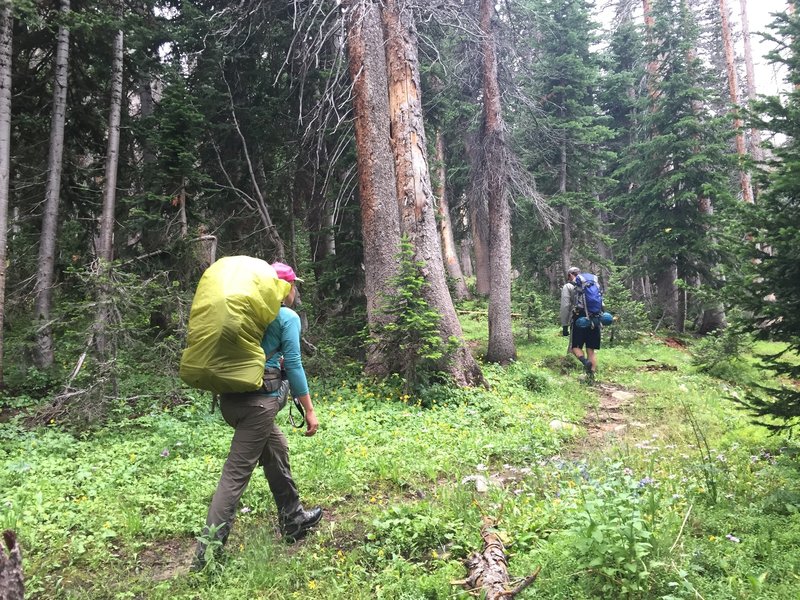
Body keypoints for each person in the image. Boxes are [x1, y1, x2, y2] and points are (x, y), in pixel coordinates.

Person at [193, 262, 322, 570]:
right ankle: (207, 555)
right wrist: (309, 409)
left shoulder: (245, 315)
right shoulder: (286, 317)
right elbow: (293, 364)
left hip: (231, 400)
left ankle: (293, 520)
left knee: (276, 448)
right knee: (235, 476)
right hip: (259, 405)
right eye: (293, 287)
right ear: (286, 289)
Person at [560, 266, 601, 380]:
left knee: (575, 347)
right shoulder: (592, 284)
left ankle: (585, 362)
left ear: (570, 275)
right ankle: (591, 377)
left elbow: (565, 306)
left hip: (580, 318)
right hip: (595, 318)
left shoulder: (568, 286)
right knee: (591, 350)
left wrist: (565, 325)